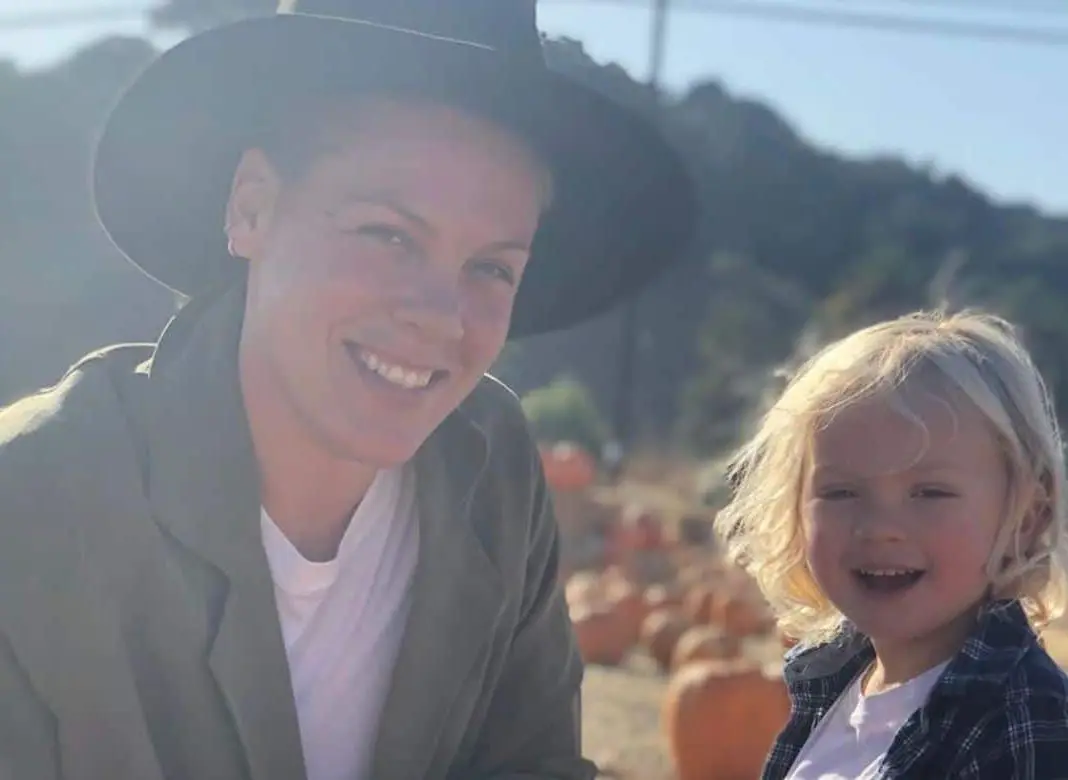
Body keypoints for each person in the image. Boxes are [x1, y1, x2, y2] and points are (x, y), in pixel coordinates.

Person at [0, 2, 697, 779]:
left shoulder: (494, 468)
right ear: (251, 207)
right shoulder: (33, 502)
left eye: (491, 268)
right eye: (388, 234)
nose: (441, 317)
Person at [715, 310, 1068, 779]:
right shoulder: (830, 683)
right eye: (841, 492)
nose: (879, 528)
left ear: (1026, 516)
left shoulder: (1027, 731)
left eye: (930, 493)